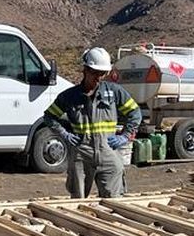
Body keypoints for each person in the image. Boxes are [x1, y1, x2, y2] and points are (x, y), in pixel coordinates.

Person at [42, 47, 140, 198]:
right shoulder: (70, 96)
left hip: (108, 152)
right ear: (85, 70)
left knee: (114, 199)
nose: (99, 78)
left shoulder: (114, 92)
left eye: (103, 74)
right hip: (81, 154)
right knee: (78, 200)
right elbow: (49, 116)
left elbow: (135, 113)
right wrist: (64, 134)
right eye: (95, 73)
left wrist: (125, 136)